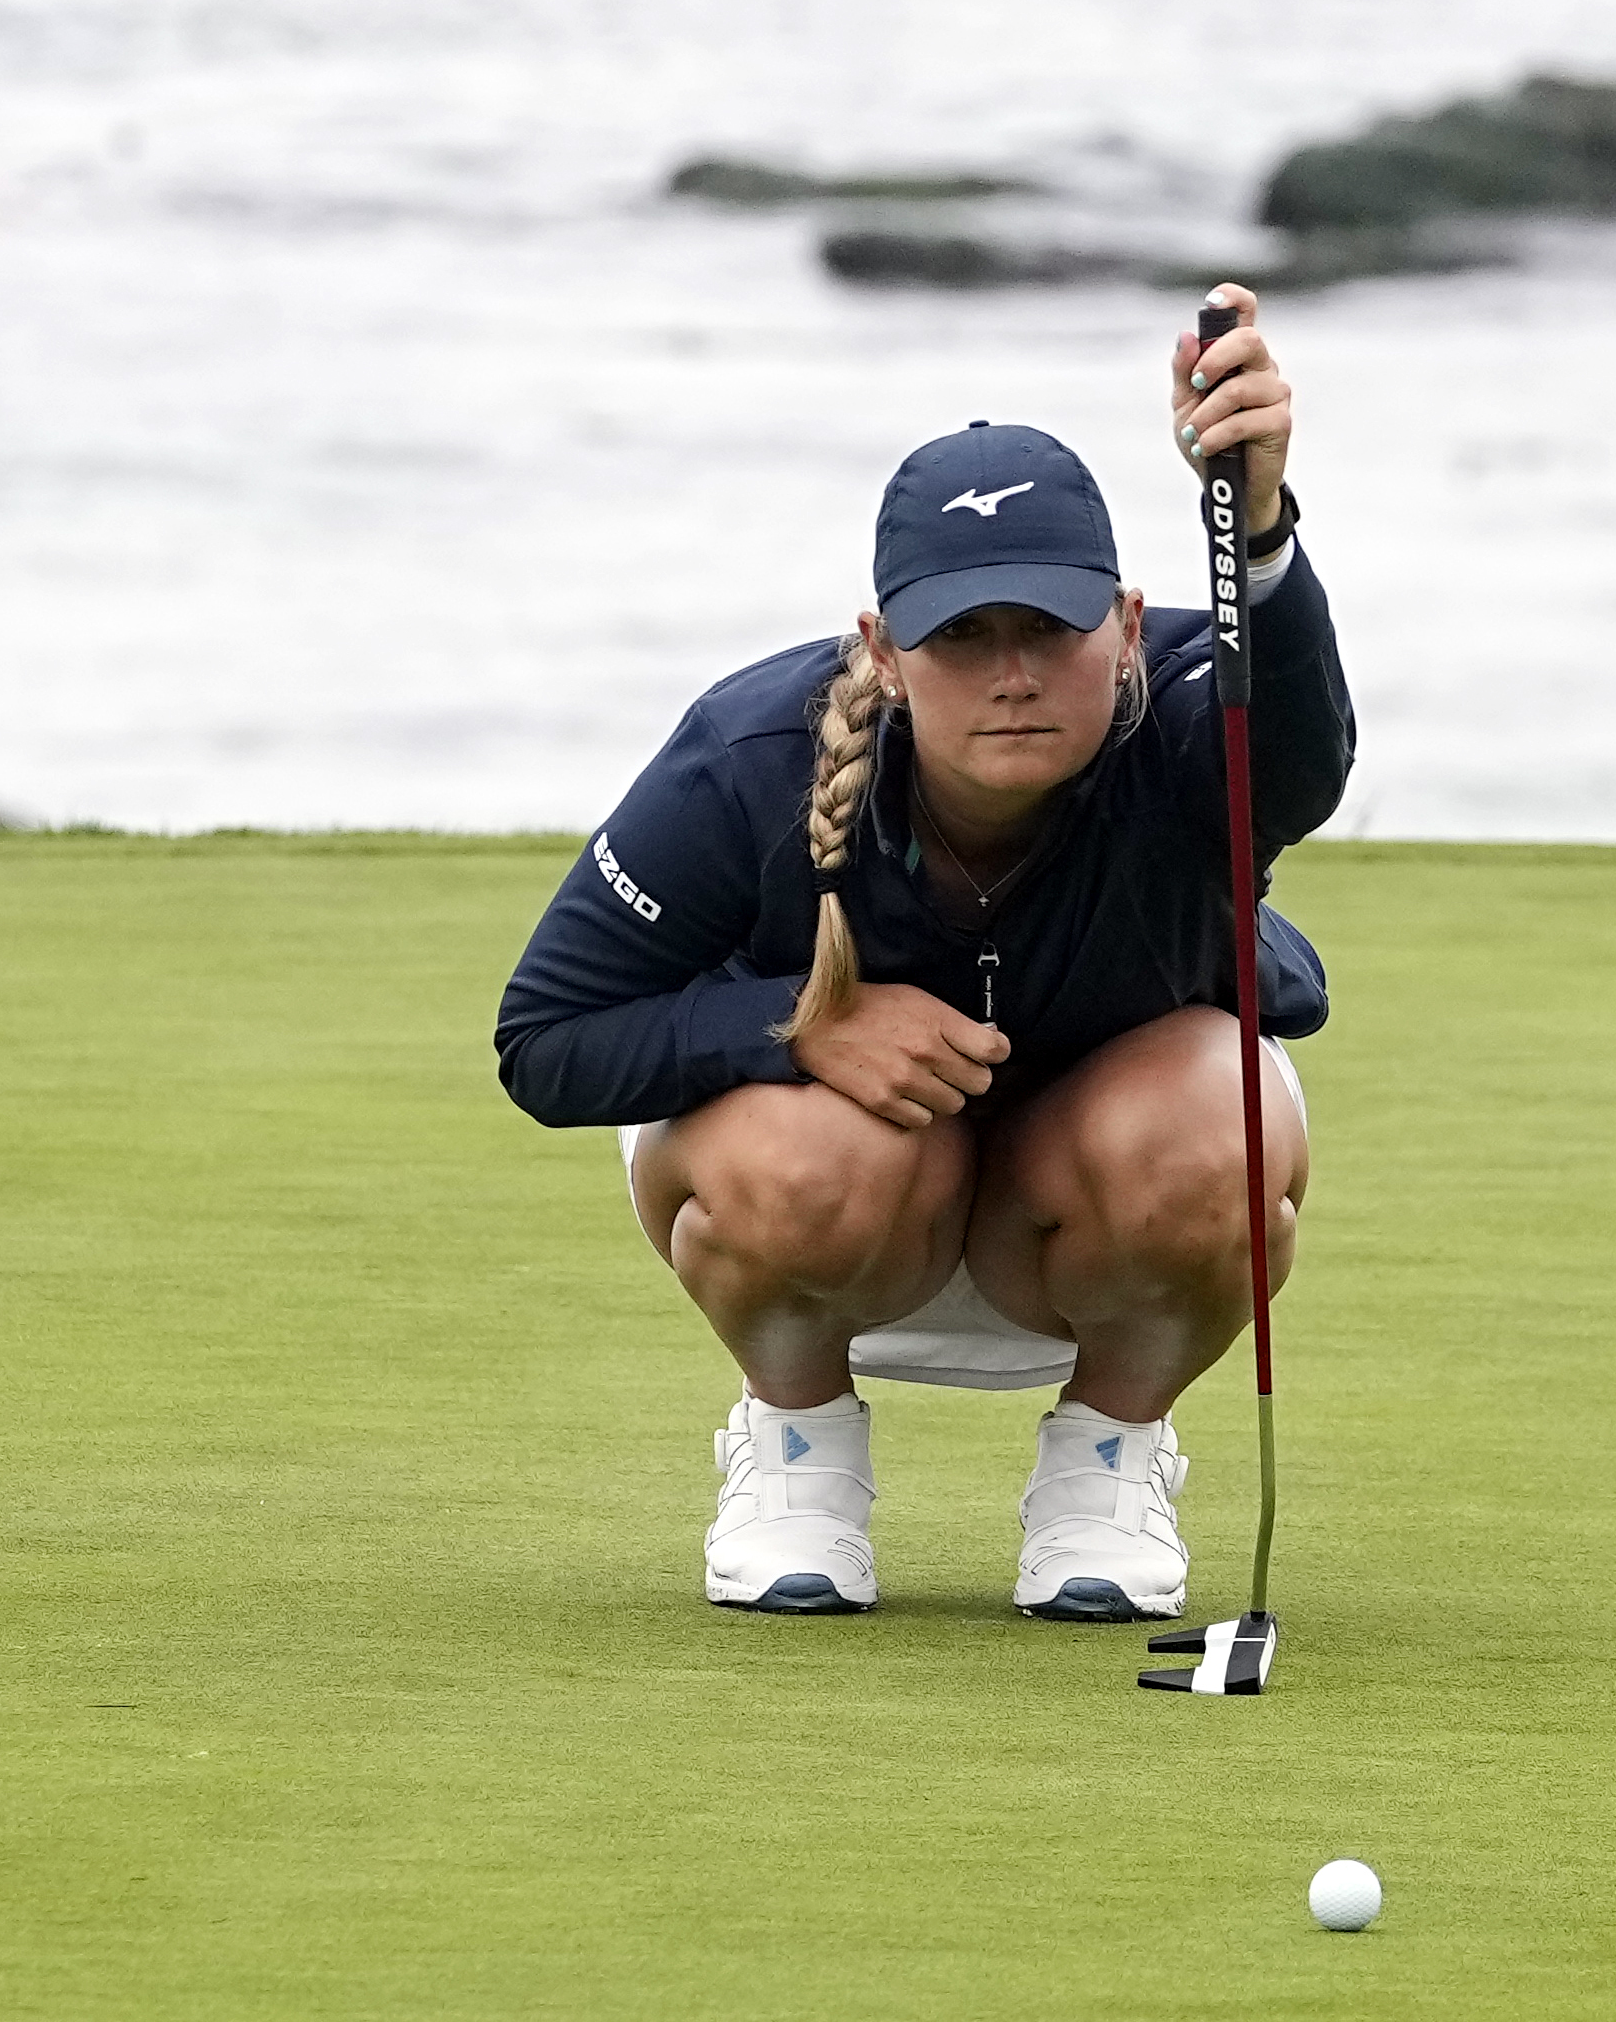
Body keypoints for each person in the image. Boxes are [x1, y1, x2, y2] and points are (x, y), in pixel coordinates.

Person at [492, 292, 1350, 1618]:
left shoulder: (1197, 708)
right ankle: (795, 1448)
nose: (1011, 672)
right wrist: (798, 1024)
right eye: (962, 635)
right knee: (807, 1146)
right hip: (842, 1222)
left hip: (1096, 1220)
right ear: (884, 650)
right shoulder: (750, 756)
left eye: (1050, 629)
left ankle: (1109, 1460)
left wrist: (1260, 524)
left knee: (1211, 1111)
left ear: (1126, 623)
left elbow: (1301, 762)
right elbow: (543, 1039)